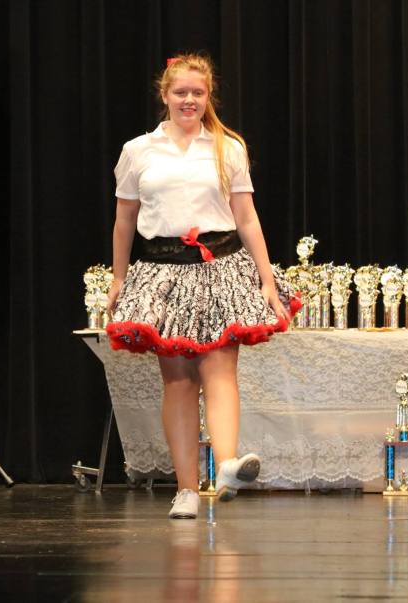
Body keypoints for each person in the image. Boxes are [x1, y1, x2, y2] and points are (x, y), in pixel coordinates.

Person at [106, 53, 299, 520]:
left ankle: (228, 464)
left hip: (219, 268)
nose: (189, 100)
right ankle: (187, 489)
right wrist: (118, 277)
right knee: (178, 380)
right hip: (163, 269)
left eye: (198, 92)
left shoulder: (227, 148)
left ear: (208, 96)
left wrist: (266, 277)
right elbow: (125, 219)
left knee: (219, 371)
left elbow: (246, 217)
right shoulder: (139, 150)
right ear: (165, 95)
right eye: (181, 92)